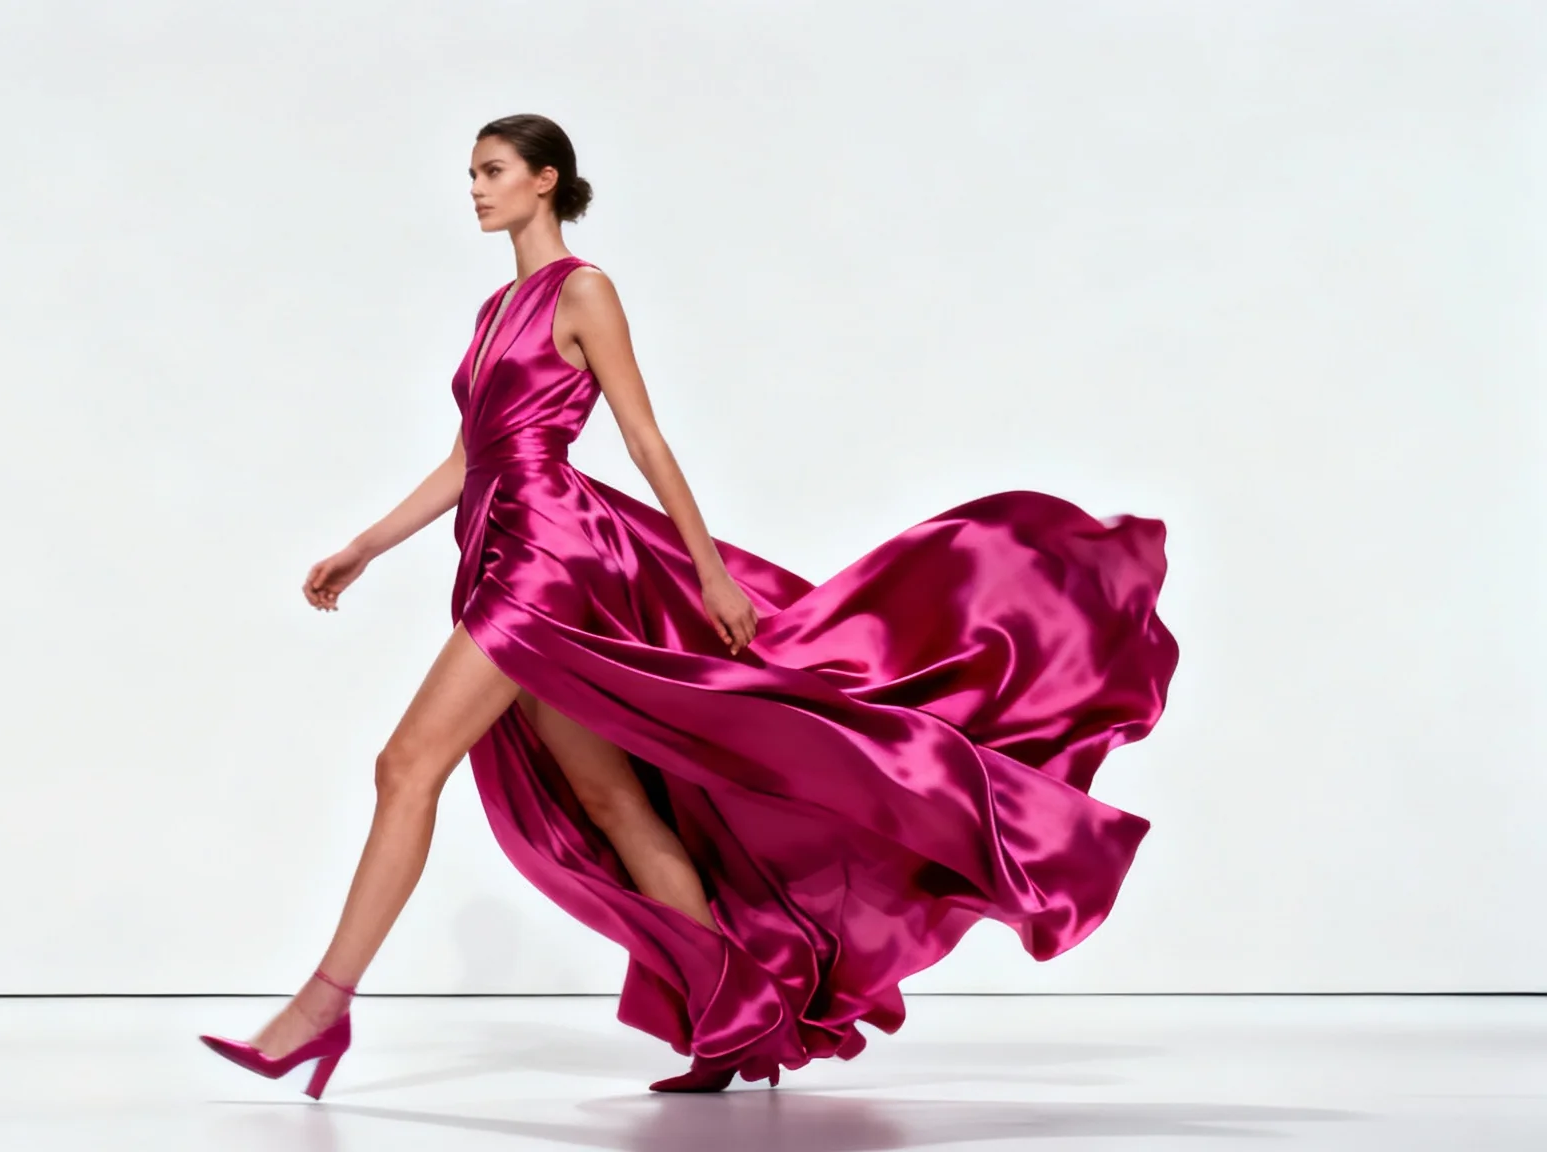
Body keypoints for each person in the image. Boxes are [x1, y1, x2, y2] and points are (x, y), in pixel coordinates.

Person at [199, 113, 1177, 1098]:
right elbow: (466, 459)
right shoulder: (492, 311)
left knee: (405, 765)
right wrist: (363, 548)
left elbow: (644, 438)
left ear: (545, 180)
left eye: (491, 171)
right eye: (469, 173)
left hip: (544, 562)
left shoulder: (583, 292)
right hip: (495, 544)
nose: (473, 188)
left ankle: (318, 1013)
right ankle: (736, 1020)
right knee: (610, 800)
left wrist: (708, 570)